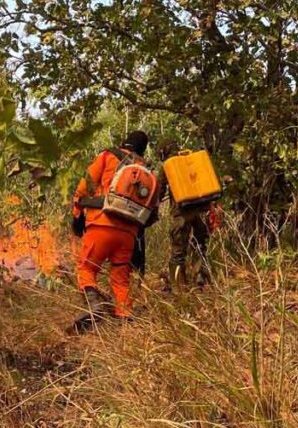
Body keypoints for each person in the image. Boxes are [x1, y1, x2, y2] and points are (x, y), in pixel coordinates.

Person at [72, 131, 152, 321]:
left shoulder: (108, 156)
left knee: (86, 268)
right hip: (128, 233)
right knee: (120, 277)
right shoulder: (146, 171)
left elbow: (85, 186)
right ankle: (125, 316)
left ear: (125, 142)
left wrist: (77, 214)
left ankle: (95, 305)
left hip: (102, 224)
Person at [155, 140, 211, 288]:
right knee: (200, 245)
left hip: (182, 212)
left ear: (163, 153)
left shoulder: (168, 165)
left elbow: (159, 191)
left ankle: (179, 286)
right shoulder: (191, 160)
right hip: (201, 209)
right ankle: (200, 275)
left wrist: (153, 207)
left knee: (178, 250)